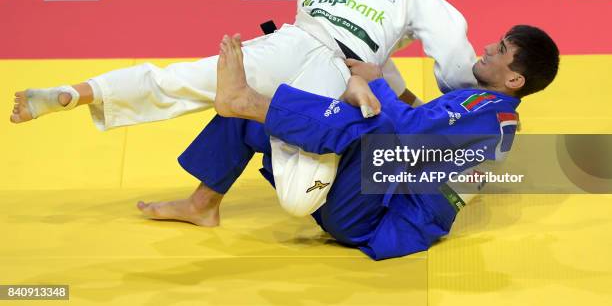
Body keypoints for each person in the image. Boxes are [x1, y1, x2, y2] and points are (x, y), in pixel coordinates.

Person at [11, 0, 477, 216]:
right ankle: (255, 113)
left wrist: (406, 99)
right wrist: (466, 97)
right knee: (299, 199)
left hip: (285, 45)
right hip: (326, 72)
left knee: (181, 79)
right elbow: (451, 52)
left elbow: (373, 60)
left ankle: (80, 92)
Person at [138, 26, 559, 260]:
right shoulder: (492, 114)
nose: (487, 47)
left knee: (371, 124)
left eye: (500, 49)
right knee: (252, 118)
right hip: (371, 200)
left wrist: (374, 83)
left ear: (514, 80)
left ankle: (249, 99)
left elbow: (409, 134)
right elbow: (430, 133)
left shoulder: (485, 109)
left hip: (374, 220)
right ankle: (202, 204)